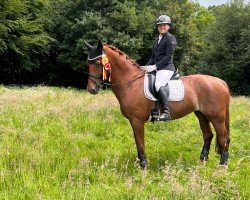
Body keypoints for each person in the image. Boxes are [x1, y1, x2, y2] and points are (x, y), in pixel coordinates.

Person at [141, 15, 177, 121]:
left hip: (167, 68)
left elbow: (168, 56)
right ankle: (154, 110)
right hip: (158, 68)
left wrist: (155, 66)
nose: (162, 27)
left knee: (158, 84)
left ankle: (166, 112)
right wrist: (145, 68)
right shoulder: (157, 39)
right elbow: (153, 57)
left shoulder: (170, 38)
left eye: (164, 25)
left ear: (168, 27)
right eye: (159, 25)